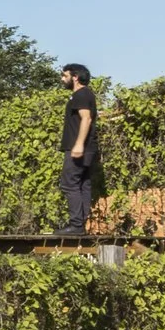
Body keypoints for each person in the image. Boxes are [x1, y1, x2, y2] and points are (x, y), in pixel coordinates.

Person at [59, 63, 101, 234]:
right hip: (87, 147)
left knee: (69, 184)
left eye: (64, 75)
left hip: (79, 147)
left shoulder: (81, 94)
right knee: (83, 184)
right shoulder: (85, 95)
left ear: (75, 77)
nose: (62, 79)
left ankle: (76, 225)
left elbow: (86, 119)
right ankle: (79, 225)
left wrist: (78, 144)